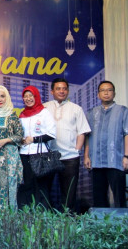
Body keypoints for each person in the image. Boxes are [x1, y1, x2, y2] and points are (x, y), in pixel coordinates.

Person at [84, 81, 128, 208]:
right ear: (98, 94)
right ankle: (101, 225)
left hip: (116, 161)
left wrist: (127, 156)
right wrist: (86, 156)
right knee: (99, 197)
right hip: (96, 161)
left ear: (114, 93)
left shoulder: (123, 111)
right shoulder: (91, 113)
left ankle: (121, 224)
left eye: (109, 90)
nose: (106, 93)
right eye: (103, 90)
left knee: (119, 197)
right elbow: (87, 136)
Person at [44, 78, 91, 212]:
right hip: (49, 156)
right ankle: (47, 218)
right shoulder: (44, 107)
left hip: (70, 157)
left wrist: (77, 150)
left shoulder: (76, 109)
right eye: (58, 88)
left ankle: (67, 219)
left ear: (68, 91)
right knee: (46, 189)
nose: (62, 91)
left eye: (64, 88)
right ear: (52, 91)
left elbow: (82, 131)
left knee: (69, 191)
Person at [18, 85, 56, 209]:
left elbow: (52, 134)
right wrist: (21, 140)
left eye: (31, 96)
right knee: (27, 185)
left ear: (36, 97)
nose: (28, 99)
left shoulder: (44, 112)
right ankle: (28, 215)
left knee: (41, 186)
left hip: (40, 155)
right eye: (25, 96)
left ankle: (42, 214)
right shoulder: (22, 115)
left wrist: (33, 139)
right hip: (24, 154)